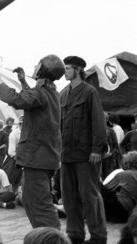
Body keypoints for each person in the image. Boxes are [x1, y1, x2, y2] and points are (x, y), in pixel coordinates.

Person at [0, 54, 64, 229]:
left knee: (38, 202)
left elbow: (18, 99)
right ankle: (46, 235)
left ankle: (51, 238)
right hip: (44, 157)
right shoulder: (51, 93)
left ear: (43, 70)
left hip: (36, 158)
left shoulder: (41, 93)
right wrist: (22, 81)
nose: (35, 66)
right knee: (31, 199)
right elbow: (32, 98)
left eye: (38, 64)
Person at [60, 55, 107, 244]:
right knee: (69, 199)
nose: (65, 70)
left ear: (78, 70)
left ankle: (98, 236)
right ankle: (75, 235)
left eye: (68, 68)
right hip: (67, 155)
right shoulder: (62, 94)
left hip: (86, 155)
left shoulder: (90, 92)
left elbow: (98, 121)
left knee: (90, 197)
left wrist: (97, 149)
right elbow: (58, 127)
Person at [102, 151, 137, 223]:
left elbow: (106, 188)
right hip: (129, 214)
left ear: (128, 163)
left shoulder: (124, 174)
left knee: (96, 185)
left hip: (119, 211)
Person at [4, 115, 23, 194]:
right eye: (21, 124)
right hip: (16, 160)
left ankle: (18, 195)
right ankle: (12, 195)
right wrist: (20, 162)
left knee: (21, 181)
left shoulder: (31, 133)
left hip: (27, 161)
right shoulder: (14, 134)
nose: (22, 125)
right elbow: (11, 151)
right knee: (12, 180)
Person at [102, 112, 121, 180]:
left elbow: (116, 147)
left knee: (108, 180)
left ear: (106, 119)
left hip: (109, 161)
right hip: (96, 160)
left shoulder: (111, 132)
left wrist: (110, 154)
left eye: (103, 118)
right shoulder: (92, 131)